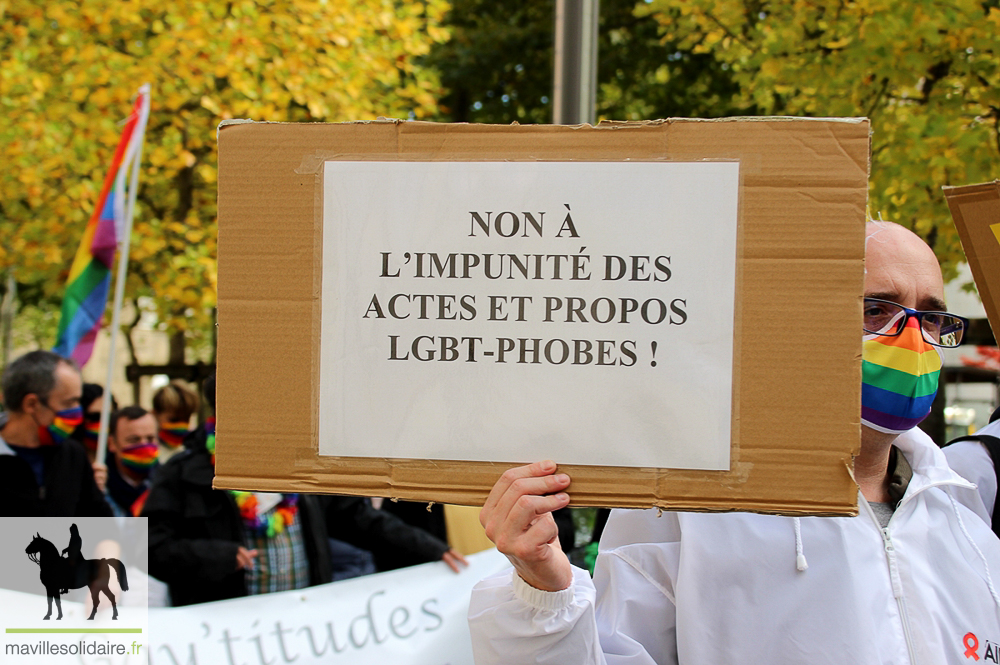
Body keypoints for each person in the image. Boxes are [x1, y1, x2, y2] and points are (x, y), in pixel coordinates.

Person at [468, 221, 1000, 664]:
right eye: (875, 309)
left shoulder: (960, 510)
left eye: (929, 317)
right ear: (791, 325)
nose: (912, 338)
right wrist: (545, 593)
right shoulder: (685, 507)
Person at [143, 374, 469, 606]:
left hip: (301, 632)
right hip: (227, 636)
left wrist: (430, 548)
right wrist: (214, 557)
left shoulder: (299, 464)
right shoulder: (182, 475)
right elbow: (148, 548)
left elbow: (357, 517)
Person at [0, 350, 112, 516]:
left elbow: (102, 526)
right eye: (68, 403)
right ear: (32, 404)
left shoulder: (72, 454)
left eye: (78, 401)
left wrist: (107, 542)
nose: (77, 413)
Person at [105, 406, 159, 517]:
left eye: (150, 439)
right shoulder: (96, 488)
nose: (144, 446)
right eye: (134, 440)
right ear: (112, 443)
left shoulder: (169, 484)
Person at [151, 381, 199, 462]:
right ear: (155, 415)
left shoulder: (196, 447)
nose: (181, 425)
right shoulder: (149, 451)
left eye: (186, 419)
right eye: (174, 420)